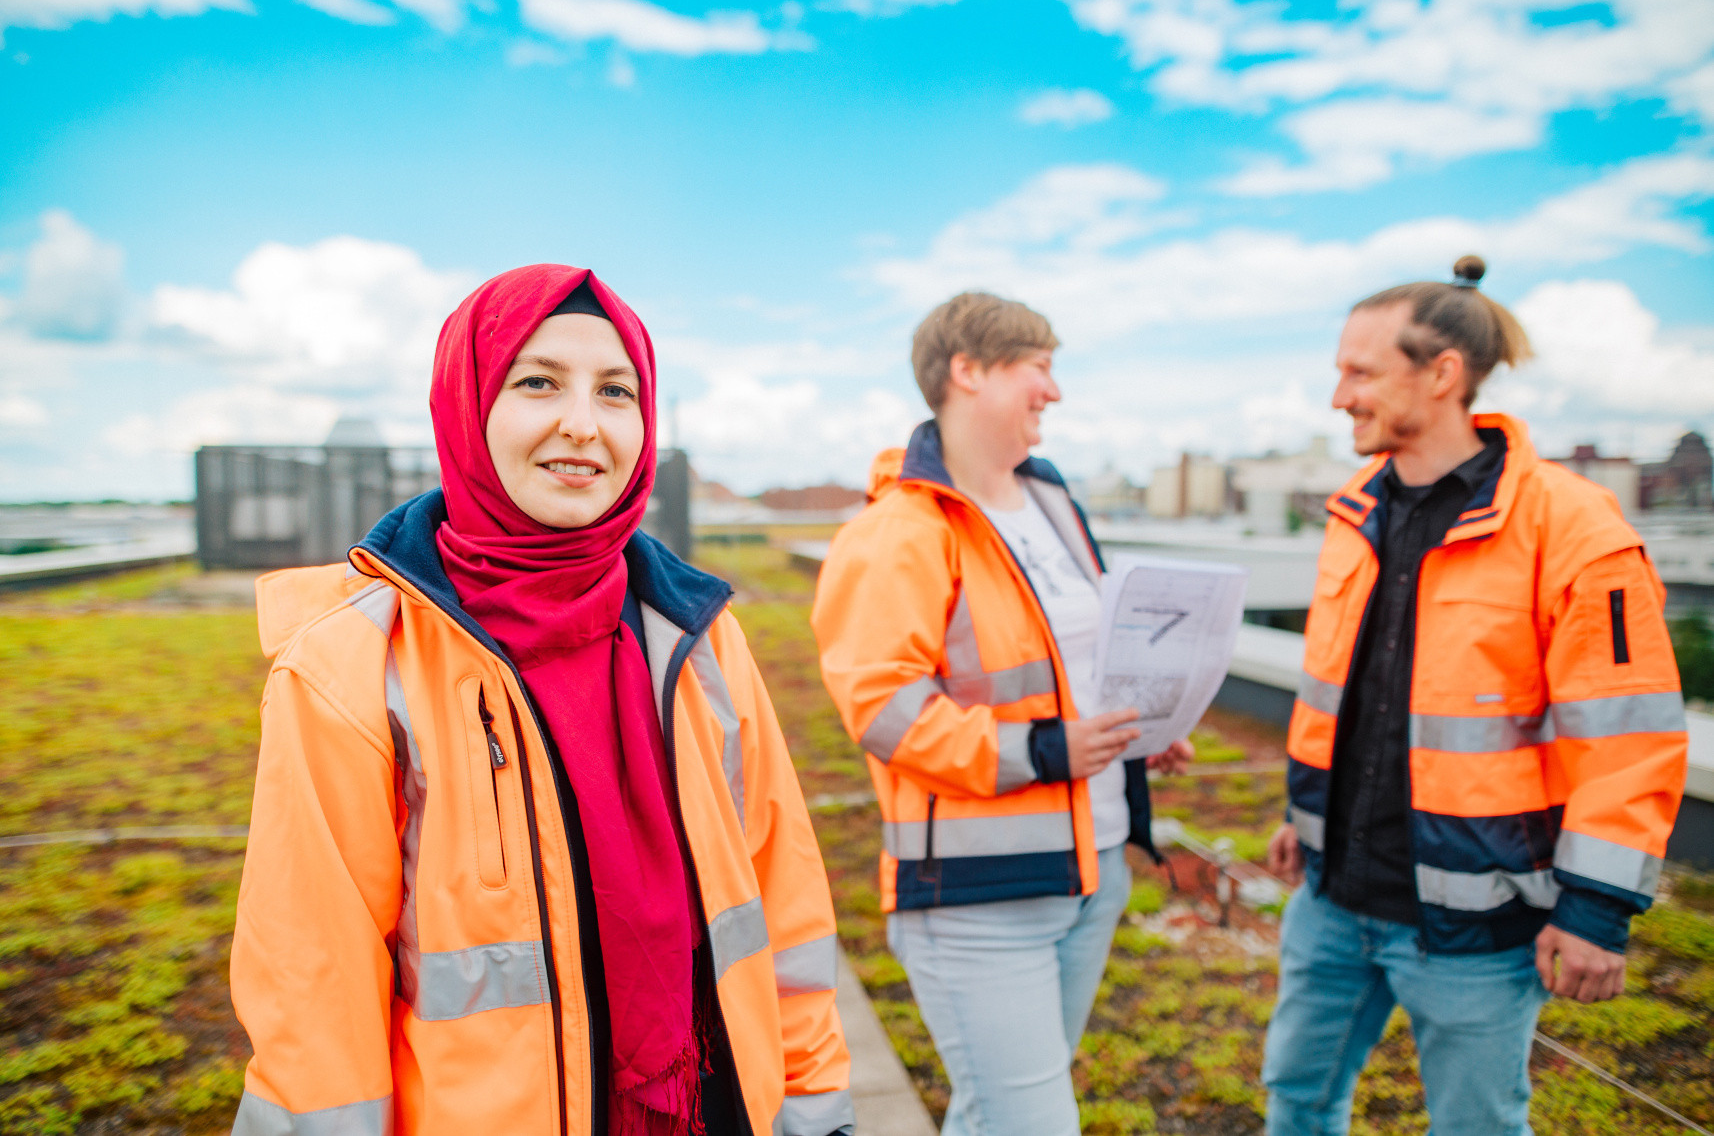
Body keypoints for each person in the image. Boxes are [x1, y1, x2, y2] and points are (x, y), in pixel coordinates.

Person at [229, 265, 853, 1136]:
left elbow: (781, 897)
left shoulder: (695, 638)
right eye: (538, 382)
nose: (583, 424)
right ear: (467, 402)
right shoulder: (351, 665)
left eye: (615, 390)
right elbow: (313, 992)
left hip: (708, 1108)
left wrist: (817, 1108)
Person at [1261, 256, 1688, 1135]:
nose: (1339, 394)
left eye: (1361, 371)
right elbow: (1351, 700)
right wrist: (1309, 817)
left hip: (1475, 928)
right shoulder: (1353, 513)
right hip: (1333, 900)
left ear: (1443, 373)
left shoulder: (1573, 528)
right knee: (1297, 1103)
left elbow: (1627, 739)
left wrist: (1596, 912)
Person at [811, 291, 1192, 1136]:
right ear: (969, 371)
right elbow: (880, 705)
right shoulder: (898, 531)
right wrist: (1050, 750)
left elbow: (1071, 663)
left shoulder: (1051, 502)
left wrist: (1137, 731)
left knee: (997, 1113)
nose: (1053, 391)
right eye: (1039, 367)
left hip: (1091, 872)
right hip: (978, 897)